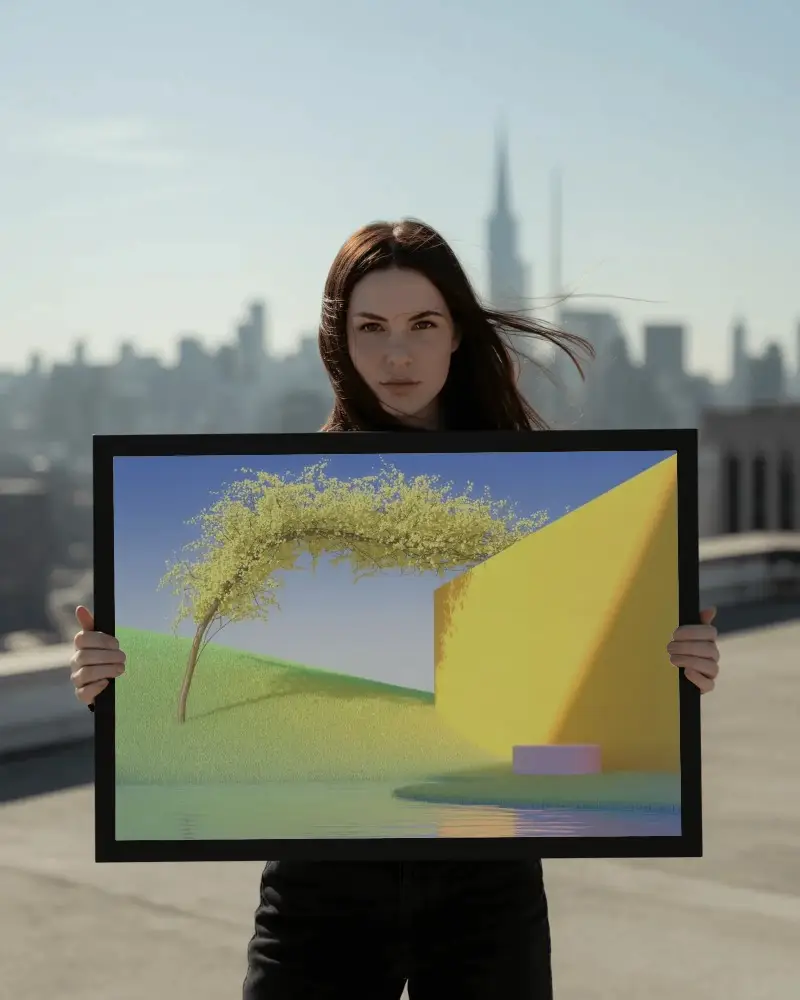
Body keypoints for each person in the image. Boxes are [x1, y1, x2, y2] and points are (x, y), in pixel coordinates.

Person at [70, 219, 722, 999]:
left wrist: (671, 663)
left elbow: (575, 683)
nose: (397, 355)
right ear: (339, 342)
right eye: (370, 329)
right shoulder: (296, 495)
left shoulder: (540, 498)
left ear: (457, 336)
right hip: (318, 893)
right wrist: (112, 681)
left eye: (422, 325)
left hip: (486, 887)